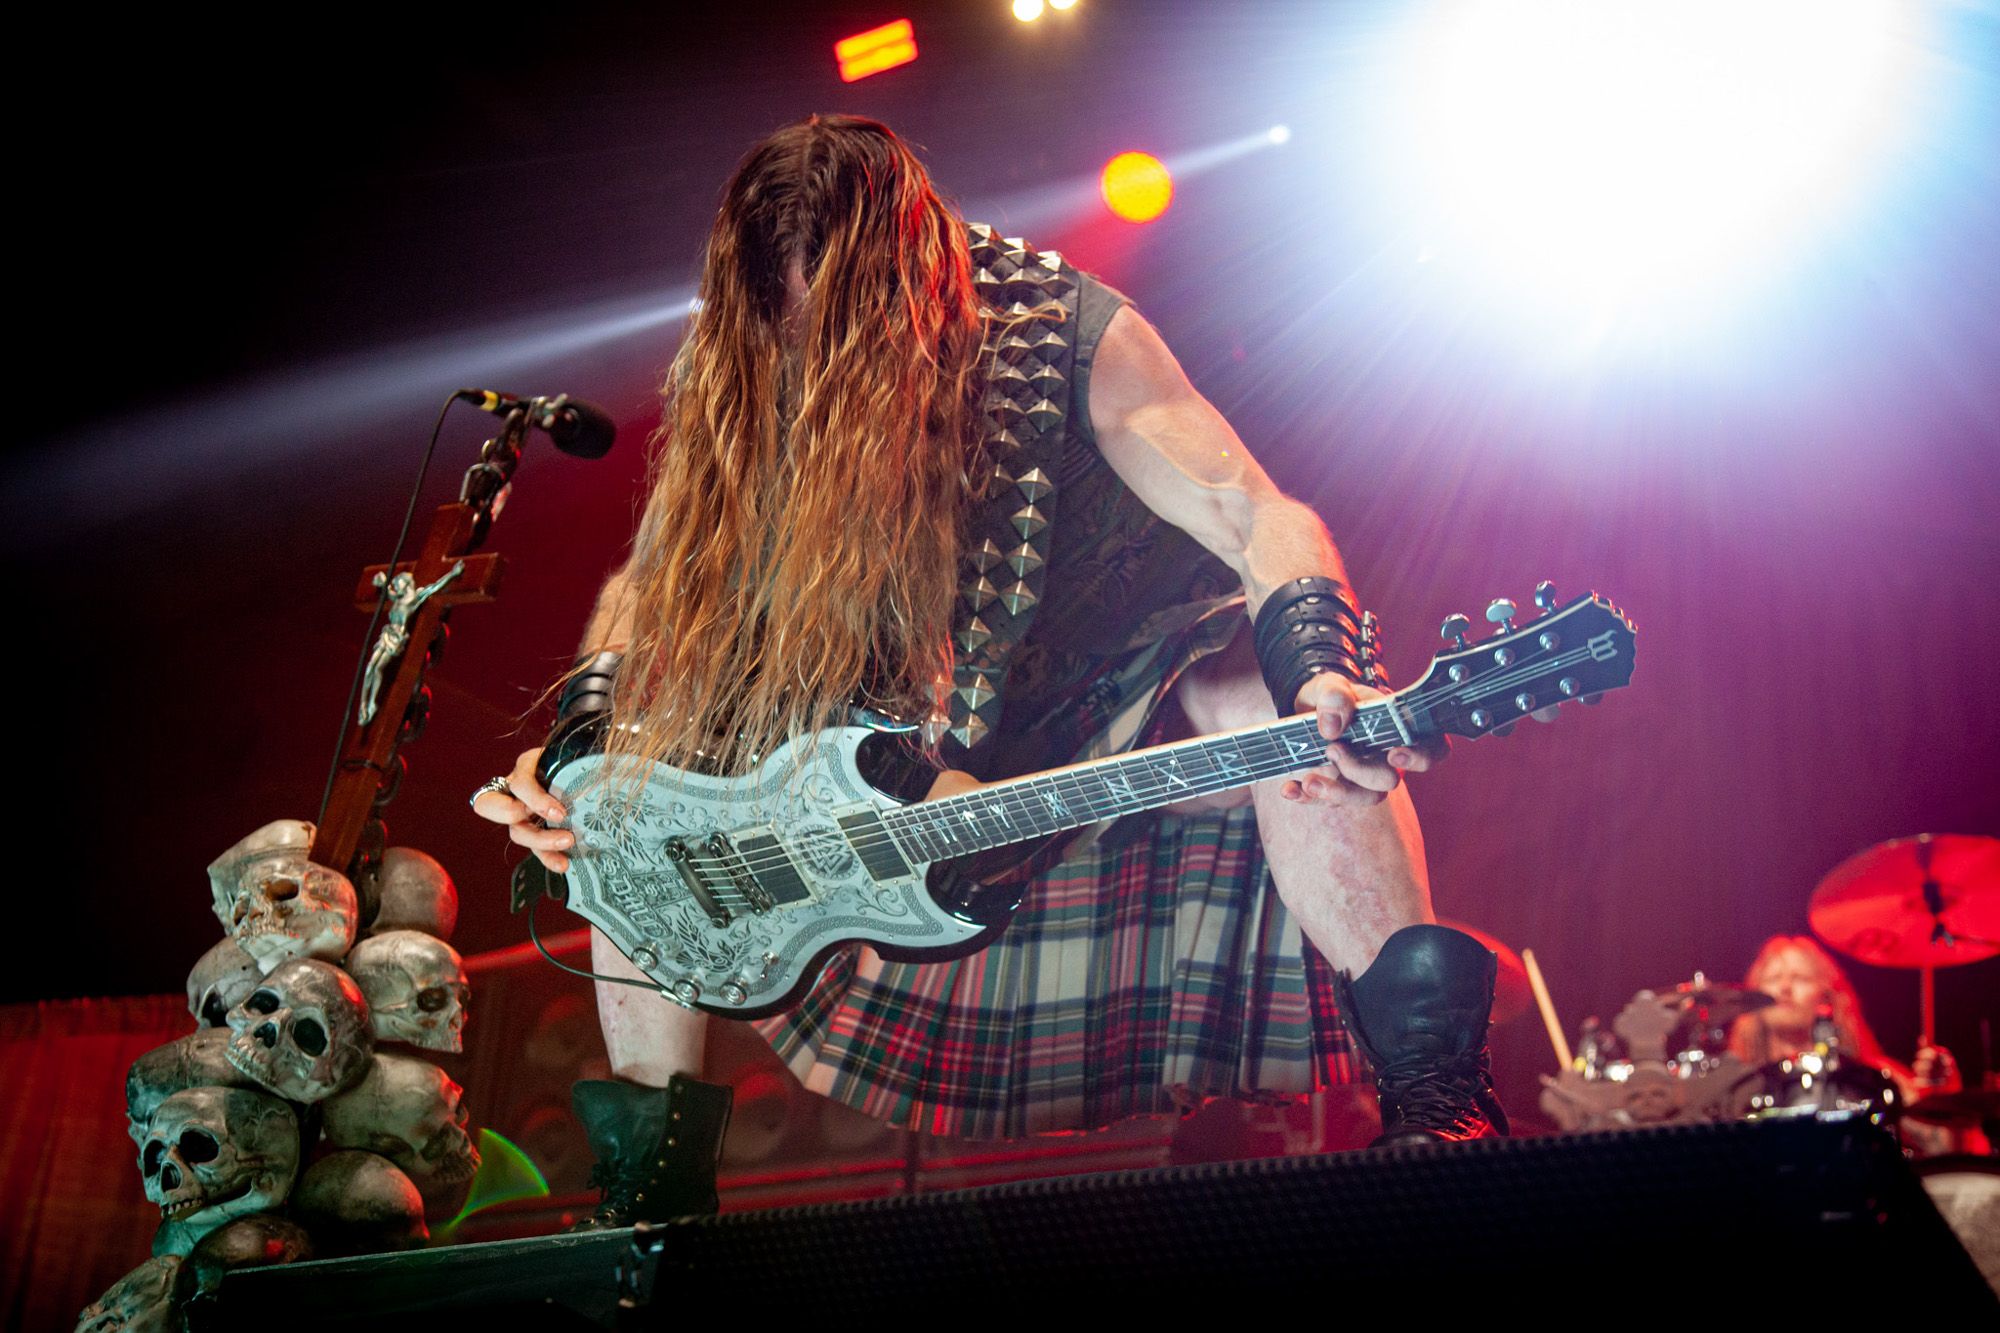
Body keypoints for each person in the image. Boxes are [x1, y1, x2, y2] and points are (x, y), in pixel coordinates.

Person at [471, 114, 1506, 1228]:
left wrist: (1319, 669)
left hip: (1113, 712)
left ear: (921, 288)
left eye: (845, 328)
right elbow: (649, 586)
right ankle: (650, 1207)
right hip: (901, 778)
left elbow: (1254, 514)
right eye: (792, 330)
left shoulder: (1069, 335)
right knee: (625, 811)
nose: (818, 360)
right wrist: (579, 756)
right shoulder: (737, 376)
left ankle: (1436, 1098)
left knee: (1276, 706)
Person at [1730, 934, 1970, 1149]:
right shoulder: (1734, 1086)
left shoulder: (1873, 1079)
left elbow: (1942, 1151)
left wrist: (1944, 1098)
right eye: (1773, 979)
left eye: (1799, 978)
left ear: (1827, 995)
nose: (1784, 988)